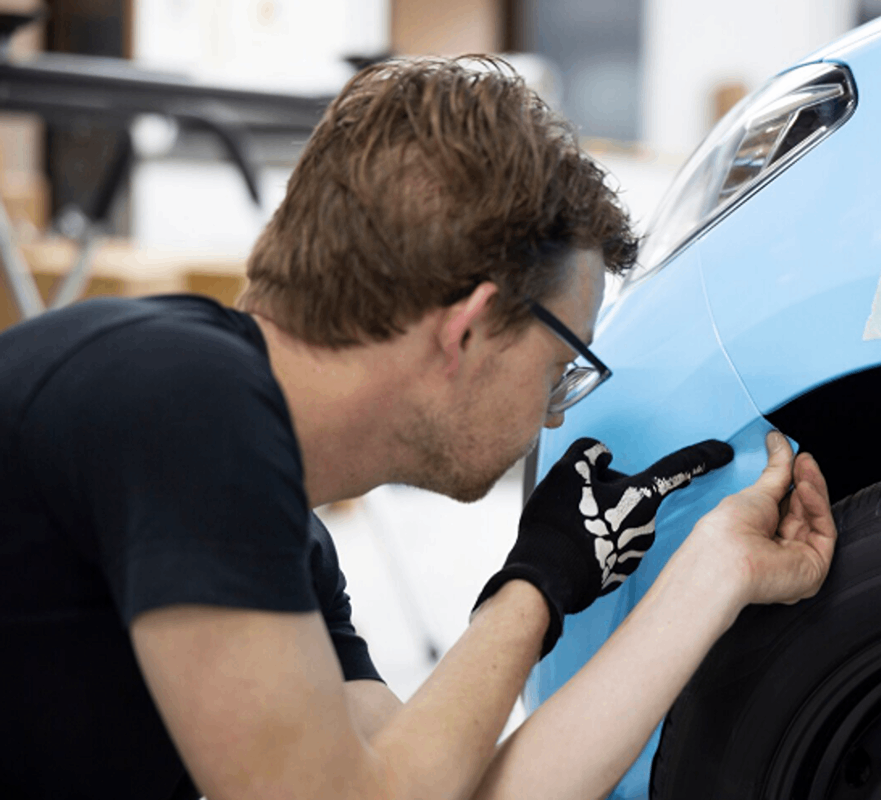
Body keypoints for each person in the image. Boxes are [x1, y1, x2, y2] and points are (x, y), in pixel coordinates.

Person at [0, 56, 837, 799]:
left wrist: (713, 573)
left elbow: (437, 788)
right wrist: (535, 586)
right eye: (559, 365)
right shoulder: (182, 401)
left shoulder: (276, 526)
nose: (555, 410)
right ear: (468, 331)